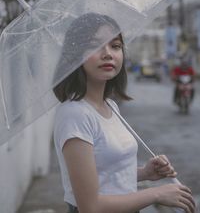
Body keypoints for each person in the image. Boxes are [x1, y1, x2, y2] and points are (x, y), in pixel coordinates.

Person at [53, 13, 195, 213]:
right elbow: (90, 206)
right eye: (95, 45)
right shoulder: (74, 114)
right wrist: (157, 194)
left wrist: (145, 173)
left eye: (116, 46)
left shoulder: (110, 105)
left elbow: (105, 175)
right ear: (75, 55)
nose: (108, 53)